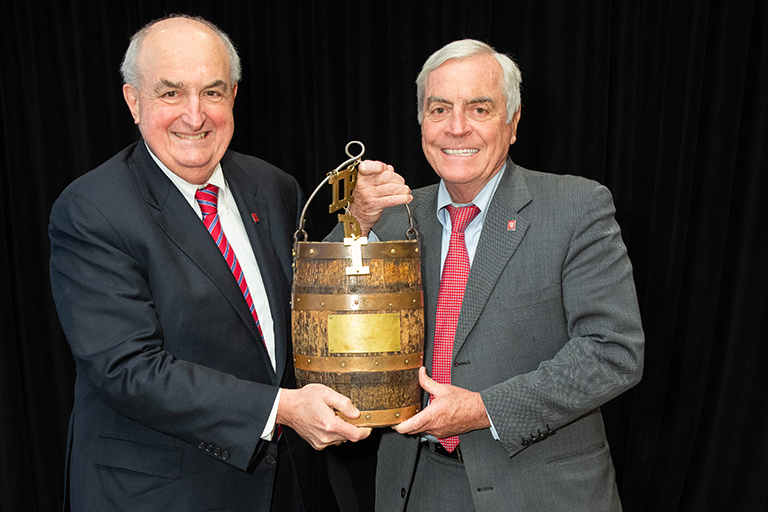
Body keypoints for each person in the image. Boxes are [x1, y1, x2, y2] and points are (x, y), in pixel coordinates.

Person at [49, 14, 370, 512]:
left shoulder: (273, 186)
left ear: (234, 96)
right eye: (171, 93)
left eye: (213, 93)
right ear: (134, 101)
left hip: (285, 487)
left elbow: (303, 307)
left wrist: (359, 226)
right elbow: (127, 369)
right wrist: (279, 408)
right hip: (161, 493)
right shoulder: (92, 208)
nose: (194, 115)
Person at [341, 39, 645, 511]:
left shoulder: (577, 207)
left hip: (539, 491)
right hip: (414, 488)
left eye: (479, 108)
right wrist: (355, 222)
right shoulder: (392, 216)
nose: (456, 128)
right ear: (421, 122)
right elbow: (323, 314)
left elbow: (613, 352)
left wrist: (483, 410)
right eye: (439, 108)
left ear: (513, 123)